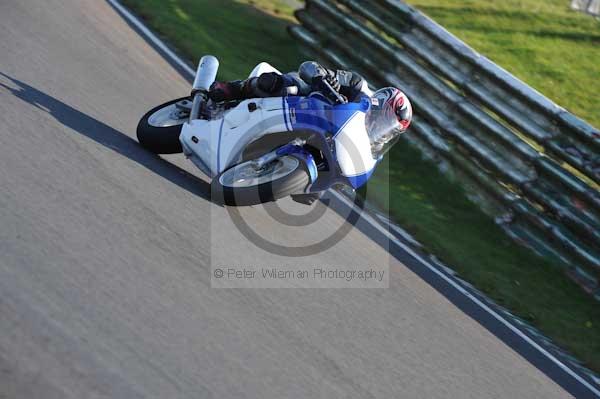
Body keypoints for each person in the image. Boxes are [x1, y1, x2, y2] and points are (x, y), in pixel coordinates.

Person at [208, 61, 412, 205]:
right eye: (384, 119)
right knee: (283, 84)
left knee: (312, 195)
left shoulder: (375, 141)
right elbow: (313, 68)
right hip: (305, 106)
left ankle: (271, 174)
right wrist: (325, 77)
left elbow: (362, 157)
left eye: (390, 128)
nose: (383, 127)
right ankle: (233, 89)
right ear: (378, 104)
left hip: (323, 141)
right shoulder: (358, 86)